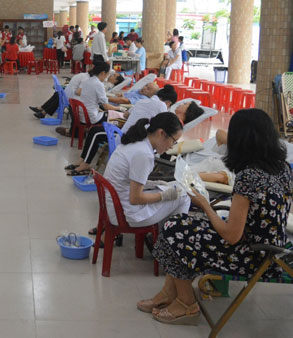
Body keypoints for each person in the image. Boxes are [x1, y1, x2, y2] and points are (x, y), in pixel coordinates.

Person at [141, 109, 292, 325]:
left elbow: (231, 236)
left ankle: (187, 304)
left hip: (253, 255)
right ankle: (168, 293)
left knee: (174, 231)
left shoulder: (249, 176)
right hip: (272, 246)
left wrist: (204, 205)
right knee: (180, 224)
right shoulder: (283, 168)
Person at [65, 86, 180, 177]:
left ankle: (83, 162)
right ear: (169, 103)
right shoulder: (162, 108)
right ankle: (83, 163)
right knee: (96, 131)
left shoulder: (143, 101)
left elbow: (126, 115)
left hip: (126, 136)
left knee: (96, 131)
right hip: (130, 138)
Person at [103, 112, 191, 228]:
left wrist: (152, 184)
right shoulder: (144, 154)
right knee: (185, 196)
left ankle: (164, 233)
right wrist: (163, 196)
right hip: (125, 213)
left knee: (175, 187)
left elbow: (128, 180)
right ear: (161, 133)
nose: (171, 147)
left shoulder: (137, 141)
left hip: (115, 204)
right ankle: (172, 237)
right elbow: (135, 198)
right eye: (173, 141)